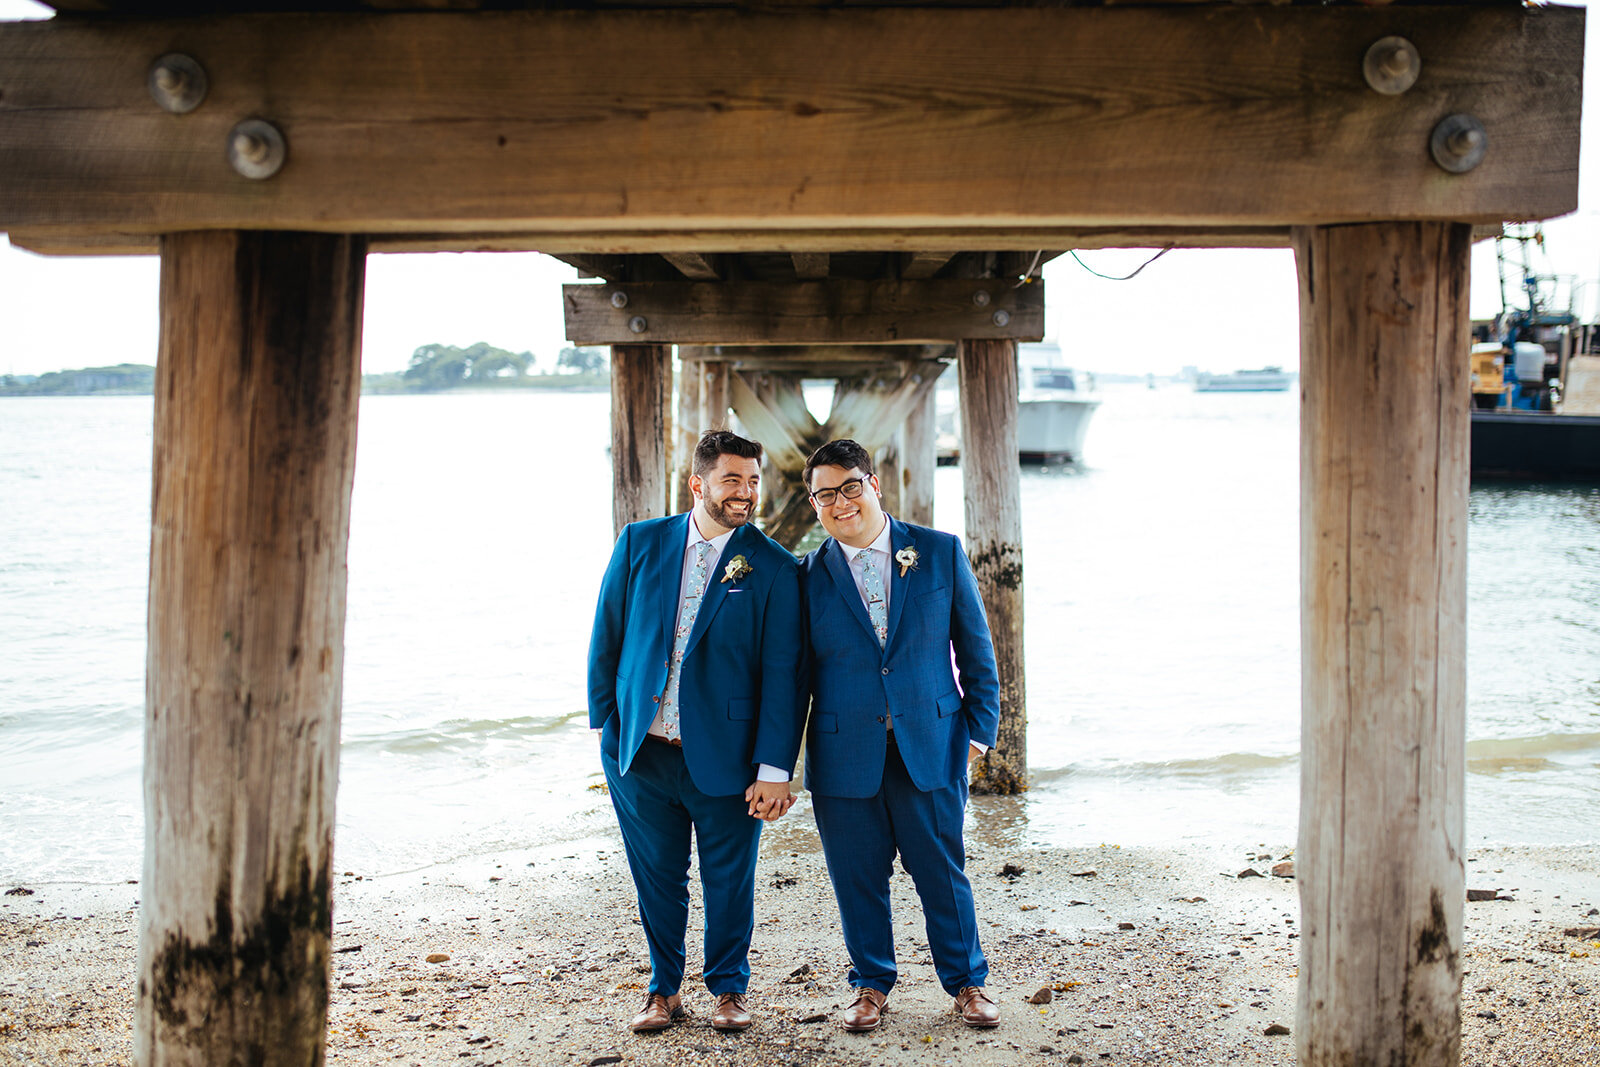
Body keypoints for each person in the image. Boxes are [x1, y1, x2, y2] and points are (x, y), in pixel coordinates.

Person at [587, 430, 804, 1034]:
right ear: (698, 483)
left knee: (729, 880)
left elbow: (784, 677)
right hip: (640, 754)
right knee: (656, 878)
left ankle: (729, 990)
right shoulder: (640, 543)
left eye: (754, 480)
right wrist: (607, 730)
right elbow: (607, 635)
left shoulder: (775, 567)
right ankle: (663, 990)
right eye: (733, 479)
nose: (747, 492)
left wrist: (773, 769)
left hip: (728, 759)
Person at [798, 438, 1002, 1033]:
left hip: (932, 743)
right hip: (842, 752)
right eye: (825, 495)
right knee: (856, 876)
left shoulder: (938, 552)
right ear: (814, 505)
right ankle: (870, 984)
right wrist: (779, 764)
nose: (841, 503)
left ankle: (967, 983)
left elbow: (976, 647)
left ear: (874, 484)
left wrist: (979, 734)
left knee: (941, 868)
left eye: (850, 487)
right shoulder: (804, 576)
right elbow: (791, 679)